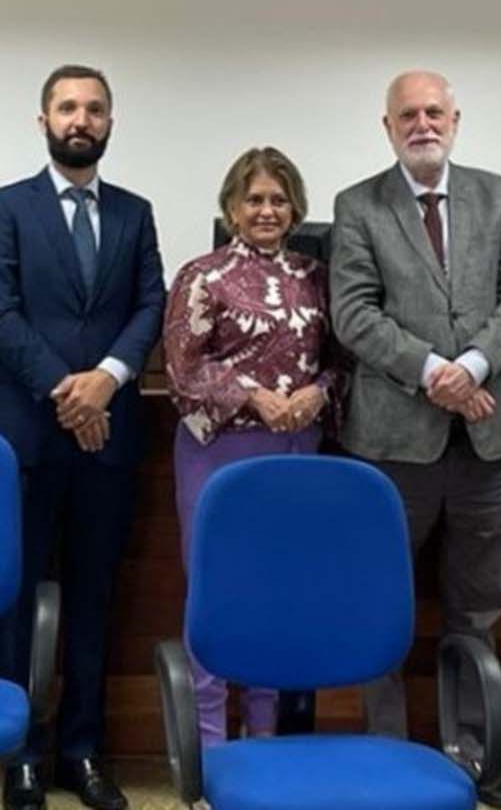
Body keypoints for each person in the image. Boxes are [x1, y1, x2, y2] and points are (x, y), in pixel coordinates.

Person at [330, 70, 501, 810]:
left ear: (456, 120)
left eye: (434, 112)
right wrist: (434, 371)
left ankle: (474, 756)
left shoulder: (499, 195)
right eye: (407, 114)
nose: (422, 124)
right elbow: (353, 314)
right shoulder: (358, 206)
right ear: (387, 127)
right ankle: (386, 754)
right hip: (390, 447)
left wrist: (473, 366)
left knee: (478, 609)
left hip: (483, 442)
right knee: (383, 607)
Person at [0, 65, 164, 810]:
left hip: (108, 438)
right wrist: (68, 388)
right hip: (25, 435)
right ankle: (20, 752)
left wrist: (107, 379)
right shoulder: (7, 208)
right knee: (15, 601)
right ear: (42, 119)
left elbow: (152, 304)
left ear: (110, 122)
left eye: (94, 109)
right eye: (66, 107)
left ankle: (81, 753)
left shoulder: (134, 212)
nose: (80, 119)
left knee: (93, 598)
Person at [164, 146, 340, 749]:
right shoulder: (202, 275)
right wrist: (253, 396)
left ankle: (262, 741)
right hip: (221, 456)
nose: (266, 210)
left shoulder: (316, 277)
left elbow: (337, 365)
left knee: (278, 595)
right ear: (232, 208)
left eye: (278, 199)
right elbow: (183, 372)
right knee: (216, 595)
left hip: (297, 453)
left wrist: (317, 393)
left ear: (295, 209)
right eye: (254, 199)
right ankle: (207, 751)